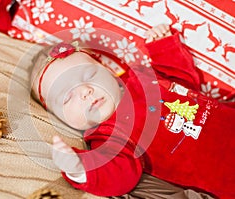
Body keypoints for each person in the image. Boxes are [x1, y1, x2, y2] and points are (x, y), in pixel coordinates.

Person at [30, 24, 235, 198]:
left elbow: (182, 83)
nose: (85, 91)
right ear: (60, 118)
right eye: (67, 97)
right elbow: (121, 175)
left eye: (89, 75)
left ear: (108, 71)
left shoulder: (140, 78)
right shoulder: (109, 137)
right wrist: (80, 169)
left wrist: (163, 47)